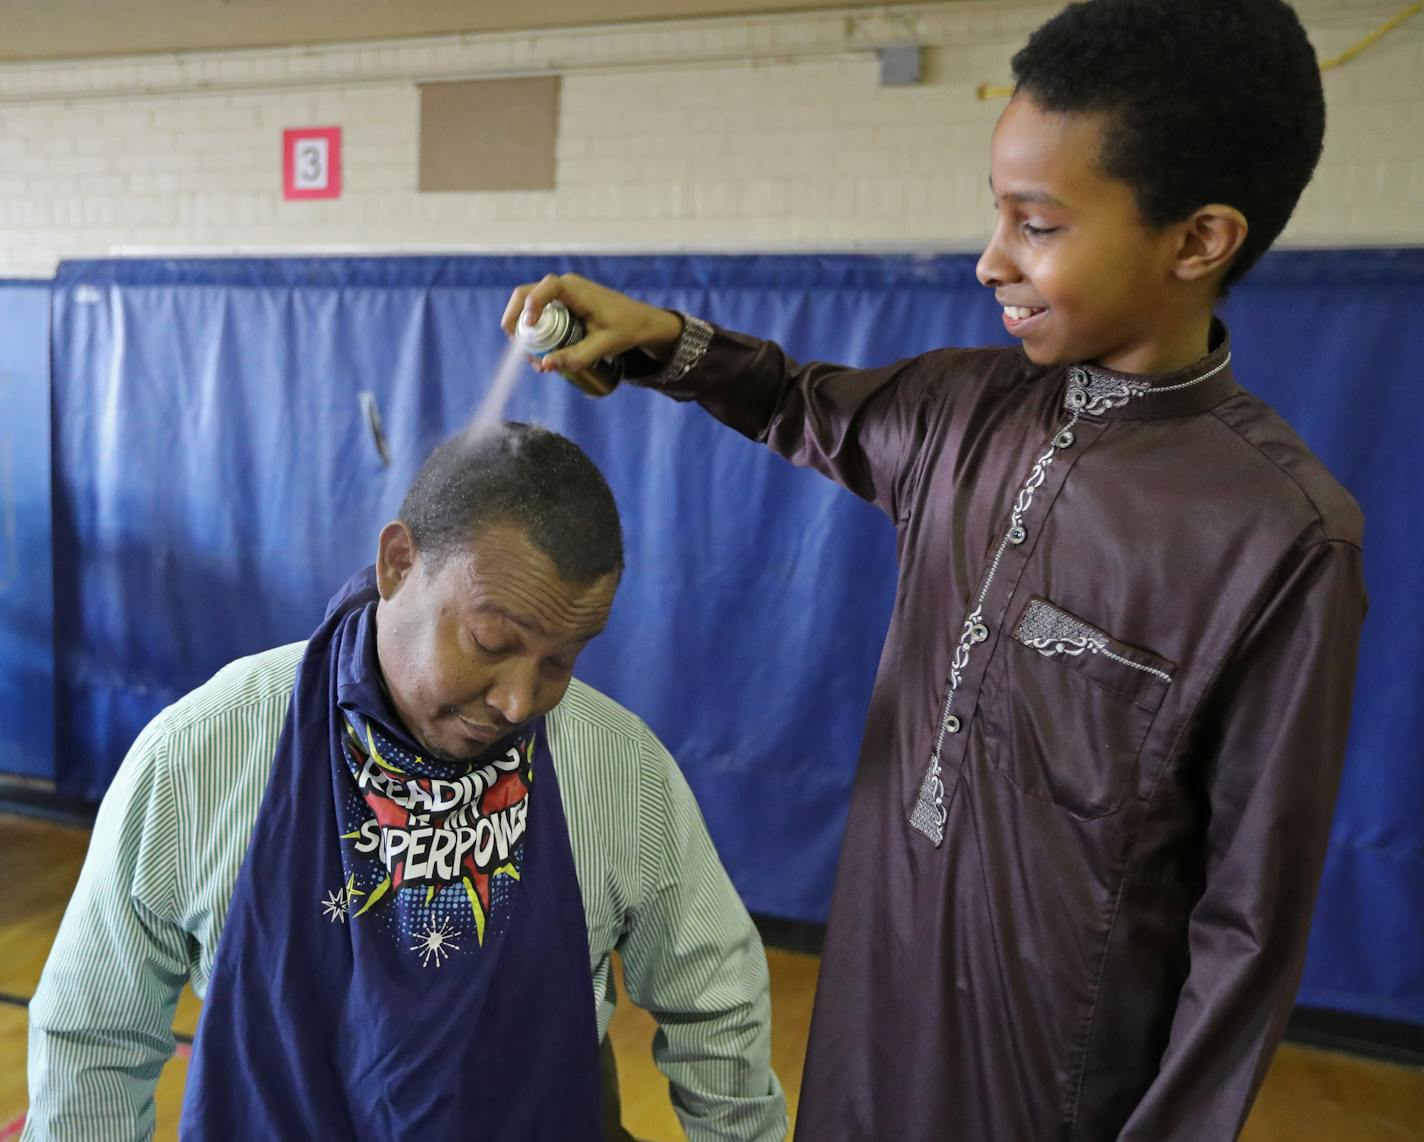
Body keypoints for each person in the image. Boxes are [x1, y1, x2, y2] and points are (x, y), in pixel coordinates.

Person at [500, 1, 1367, 1137]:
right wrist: (658, 337)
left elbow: (1245, 923)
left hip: (1049, 1090)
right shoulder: (968, 407)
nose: (989, 257)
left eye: (1036, 224)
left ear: (1197, 239)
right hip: (869, 1020)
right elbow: (796, 402)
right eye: (994, 213)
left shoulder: (1278, 535)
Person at [26, 424, 787, 1141]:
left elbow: (717, 1003)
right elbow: (95, 1031)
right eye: (491, 642)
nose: (519, 701)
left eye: (561, 660)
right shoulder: (204, 753)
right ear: (397, 564)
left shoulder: (620, 769)